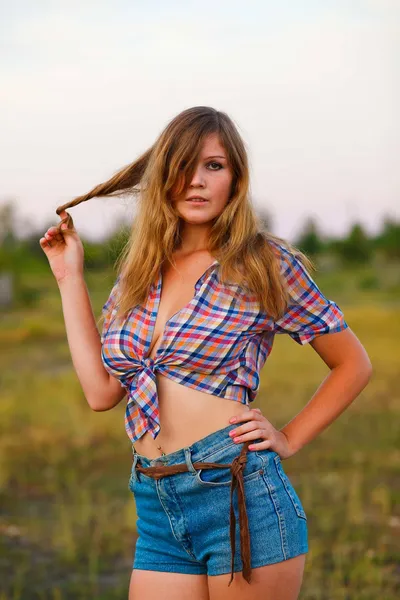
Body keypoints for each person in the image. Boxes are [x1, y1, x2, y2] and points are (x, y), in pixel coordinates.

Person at [39, 106, 372, 600]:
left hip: (238, 494)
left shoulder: (263, 264)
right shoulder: (139, 274)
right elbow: (101, 391)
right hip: (156, 501)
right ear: (163, 179)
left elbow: (353, 363)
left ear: (235, 179)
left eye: (214, 166)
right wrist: (68, 276)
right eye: (183, 167)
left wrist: (289, 437)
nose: (196, 181)